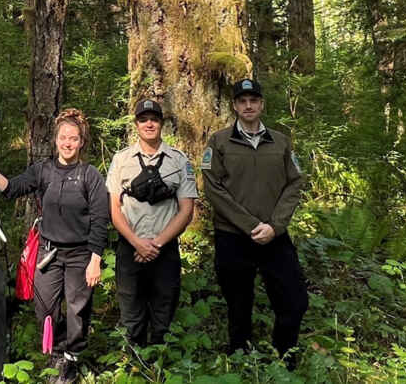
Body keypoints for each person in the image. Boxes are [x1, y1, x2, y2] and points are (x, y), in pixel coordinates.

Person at [0, 108, 109, 382]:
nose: (68, 143)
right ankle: (57, 351)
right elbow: (11, 188)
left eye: (73, 138)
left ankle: (71, 359)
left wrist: (95, 259)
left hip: (81, 254)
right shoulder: (43, 171)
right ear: (55, 139)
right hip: (49, 252)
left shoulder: (90, 175)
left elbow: (100, 219)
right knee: (44, 307)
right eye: (63, 137)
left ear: (81, 141)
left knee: (77, 308)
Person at [200, 78, 308, 365]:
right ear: (235, 106)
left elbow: (295, 183)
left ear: (261, 104)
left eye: (254, 100)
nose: (248, 105)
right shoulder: (219, 141)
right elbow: (213, 188)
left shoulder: (281, 142)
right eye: (242, 101)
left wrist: (275, 225)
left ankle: (285, 357)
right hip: (233, 237)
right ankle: (239, 358)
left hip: (274, 236)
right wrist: (249, 225)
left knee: (294, 300)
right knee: (238, 303)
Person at [106, 98, 197, 347]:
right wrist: (137, 243)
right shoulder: (121, 159)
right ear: (136, 124)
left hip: (164, 250)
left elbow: (186, 208)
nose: (149, 124)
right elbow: (114, 208)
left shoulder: (179, 160)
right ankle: (135, 366)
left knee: (163, 315)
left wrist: (155, 244)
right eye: (144, 119)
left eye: (154, 119)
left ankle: (160, 367)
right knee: (132, 317)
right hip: (129, 249)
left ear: (162, 124)